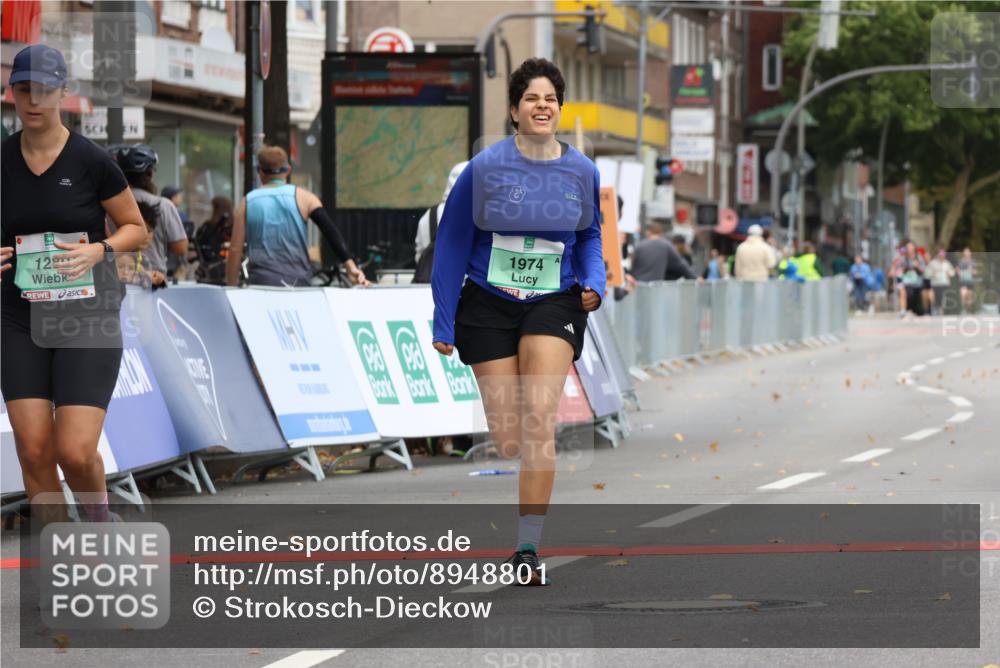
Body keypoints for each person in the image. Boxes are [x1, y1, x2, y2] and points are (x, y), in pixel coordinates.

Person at [431, 58, 605, 584]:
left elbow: (589, 235)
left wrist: (594, 280)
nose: (542, 106)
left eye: (550, 98)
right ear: (514, 110)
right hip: (489, 302)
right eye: (532, 98)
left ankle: (527, 549)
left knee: (538, 421)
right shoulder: (484, 169)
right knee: (509, 438)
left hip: (555, 301)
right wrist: (443, 323)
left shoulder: (582, 171)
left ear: (559, 108)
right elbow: (452, 244)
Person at [0, 45, 146, 519]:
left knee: (76, 451)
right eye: (24, 89)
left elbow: (136, 228)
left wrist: (99, 249)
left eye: (44, 90)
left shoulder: (91, 160)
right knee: (33, 450)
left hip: (86, 316)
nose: (33, 100)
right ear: (12, 92)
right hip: (17, 317)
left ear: (64, 92)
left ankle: (101, 525)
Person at [226, 145, 369, 287]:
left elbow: (235, 250)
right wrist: (350, 266)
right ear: (288, 170)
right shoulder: (306, 198)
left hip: (261, 284)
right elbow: (330, 232)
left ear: (260, 171)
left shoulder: (247, 202)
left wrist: (231, 286)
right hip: (298, 284)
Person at [108, 144, 188, 284]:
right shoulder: (163, 205)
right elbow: (181, 248)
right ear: (150, 174)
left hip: (117, 279)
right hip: (154, 280)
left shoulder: (109, 205)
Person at [413, 160, 468, 284]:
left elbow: (420, 255)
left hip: (431, 286)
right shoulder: (479, 215)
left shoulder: (429, 215)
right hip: (466, 289)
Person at [629, 222, 696, 282]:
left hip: (639, 285)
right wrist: (695, 279)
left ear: (648, 232)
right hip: (656, 286)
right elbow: (681, 264)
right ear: (660, 233)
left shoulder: (640, 246)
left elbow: (633, 267)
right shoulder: (666, 245)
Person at [193, 196, 234, 285]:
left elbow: (199, 242)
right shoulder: (233, 226)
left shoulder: (208, 228)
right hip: (228, 267)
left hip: (212, 268)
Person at [161, 186, 195, 279]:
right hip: (174, 257)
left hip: (165, 257)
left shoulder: (159, 211)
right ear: (173, 198)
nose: (181, 198)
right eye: (178, 196)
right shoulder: (179, 214)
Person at [926, 248, 956, 316]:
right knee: (932, 294)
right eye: (940, 255)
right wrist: (933, 273)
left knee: (942, 295)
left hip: (945, 284)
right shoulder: (933, 263)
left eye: (943, 255)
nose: (942, 256)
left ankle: (941, 311)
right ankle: (934, 309)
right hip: (935, 284)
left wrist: (949, 273)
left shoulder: (947, 263)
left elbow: (952, 272)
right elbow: (927, 273)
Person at [957, 247, 976, 314]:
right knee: (963, 294)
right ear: (963, 253)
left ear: (970, 253)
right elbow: (958, 271)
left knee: (969, 296)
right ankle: (963, 309)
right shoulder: (960, 262)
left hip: (970, 281)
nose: (966, 253)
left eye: (968, 252)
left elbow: (974, 272)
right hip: (962, 281)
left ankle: (968, 310)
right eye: (965, 252)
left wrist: (971, 271)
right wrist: (962, 272)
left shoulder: (973, 262)